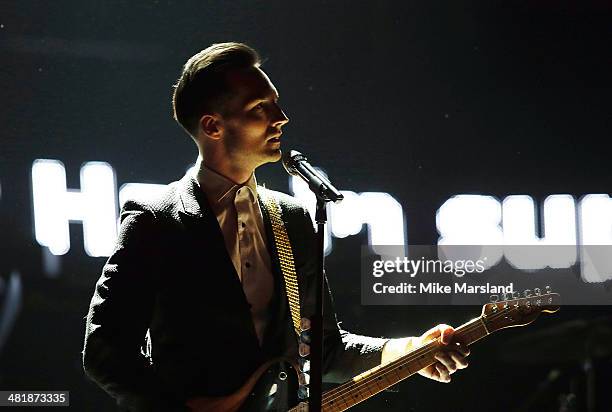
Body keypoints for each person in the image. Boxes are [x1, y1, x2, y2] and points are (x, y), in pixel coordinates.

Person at [83, 42, 470, 412]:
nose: (280, 117)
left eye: (276, 103)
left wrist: (409, 351)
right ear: (212, 126)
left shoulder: (293, 220)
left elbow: (324, 352)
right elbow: (105, 351)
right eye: (260, 108)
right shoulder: (157, 218)